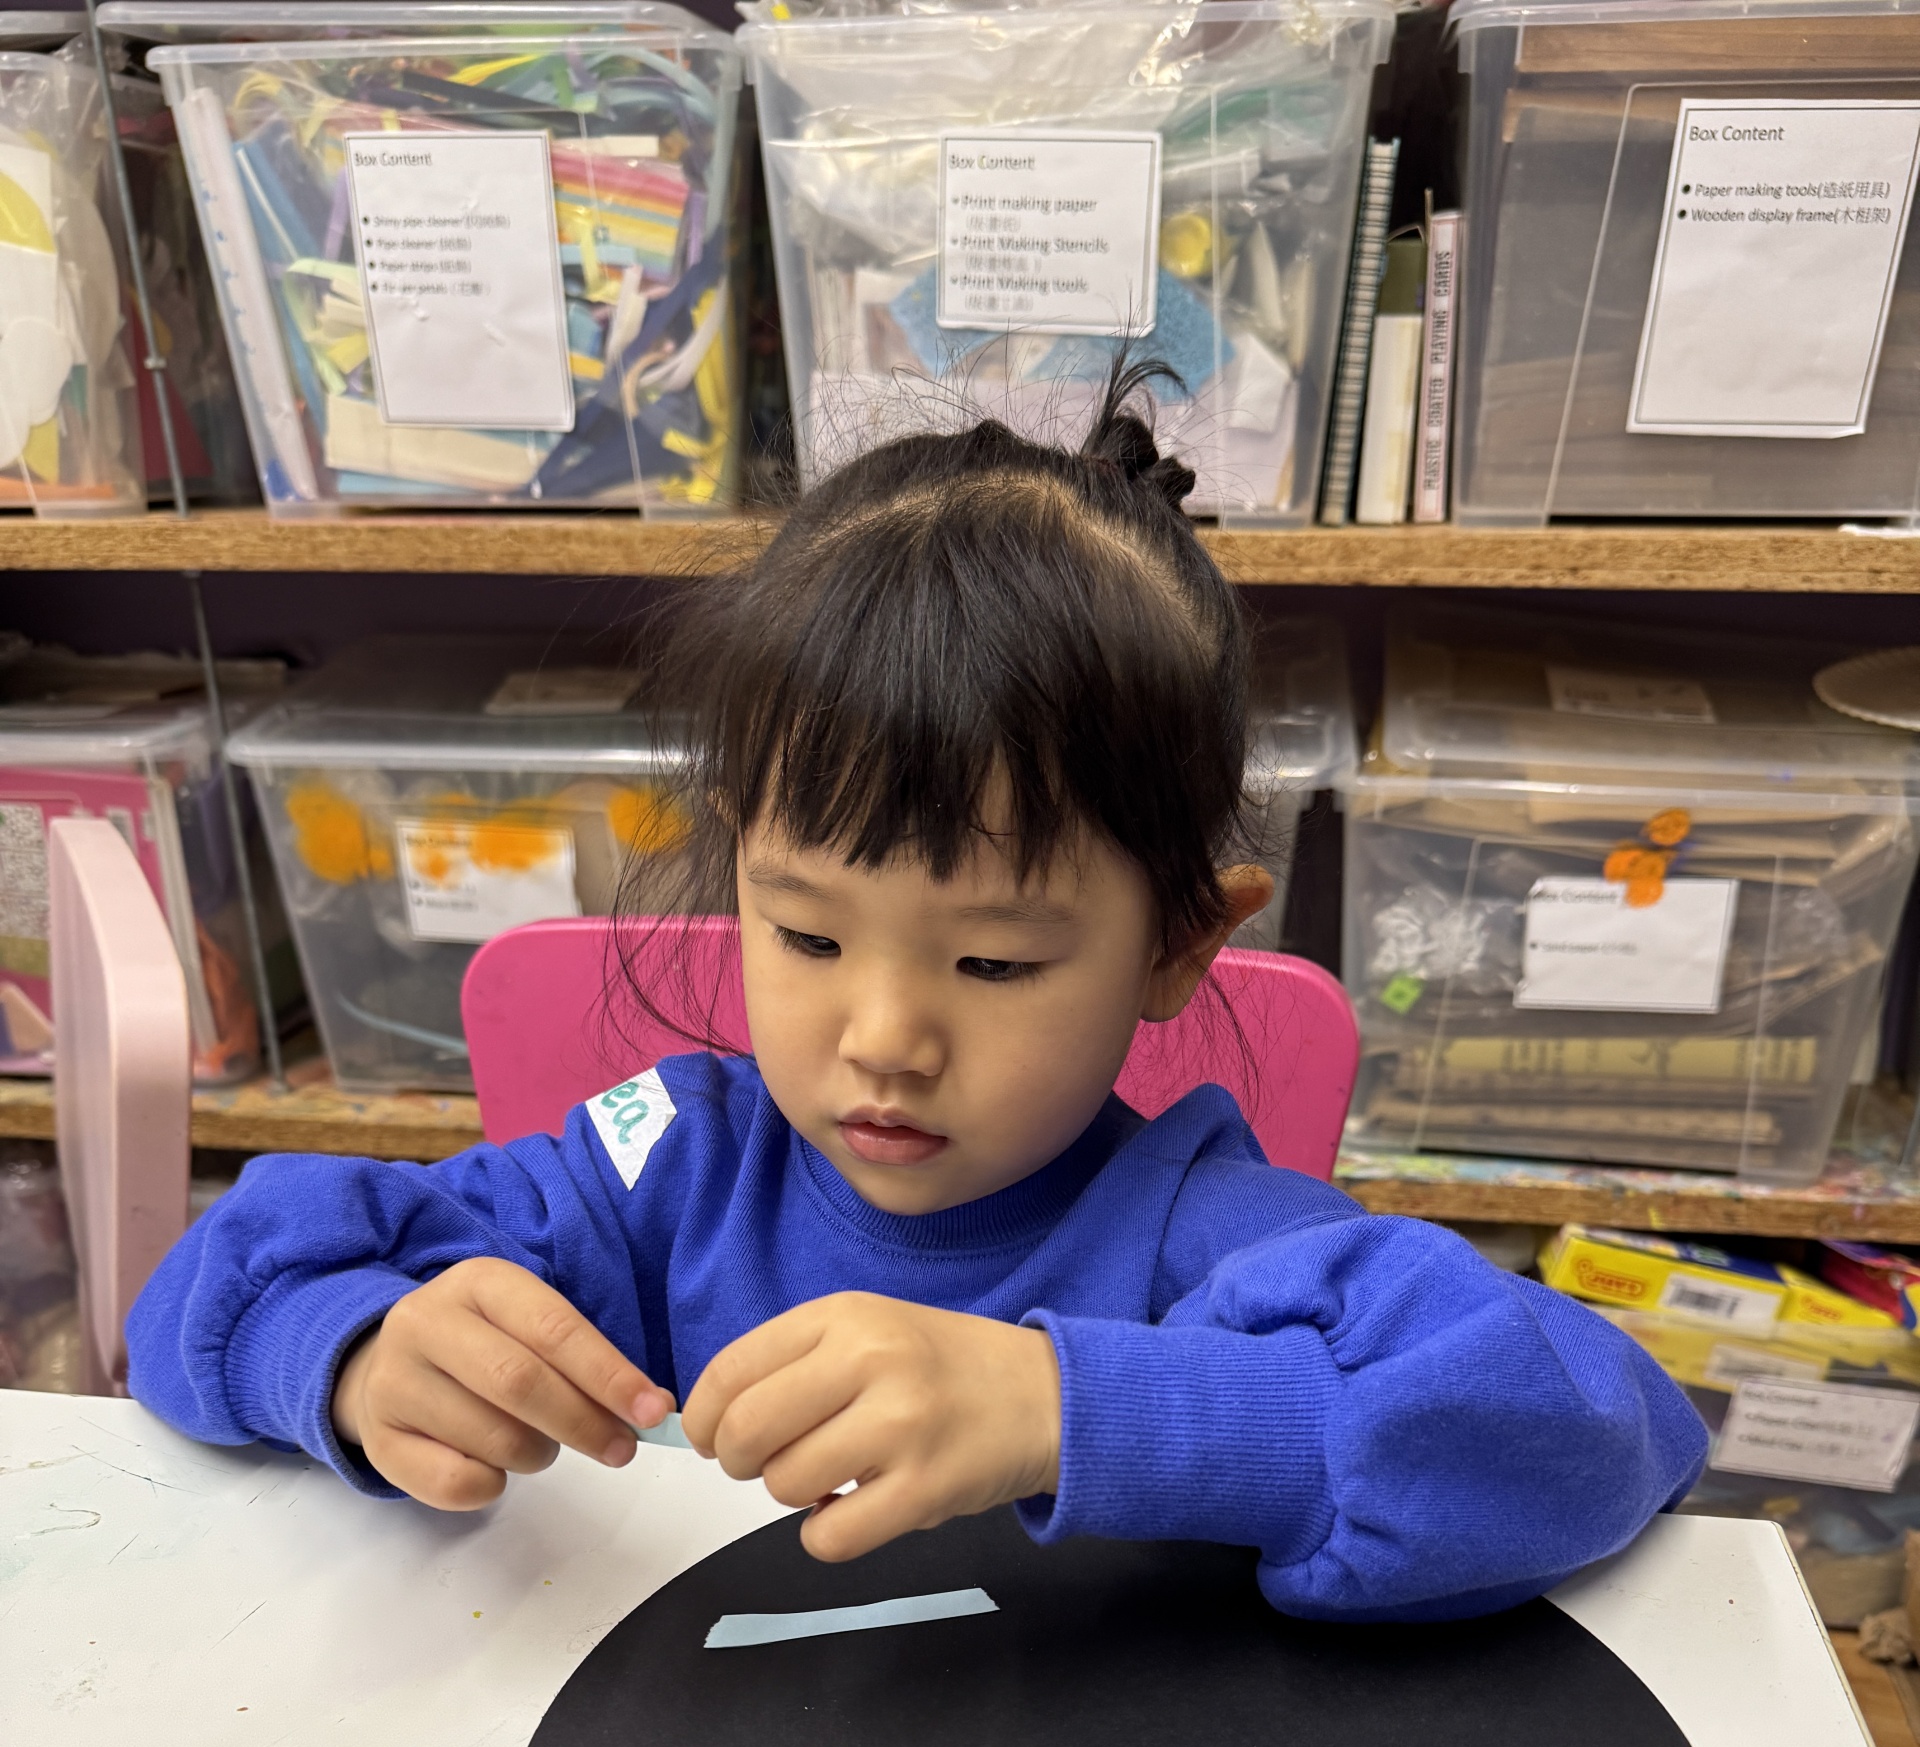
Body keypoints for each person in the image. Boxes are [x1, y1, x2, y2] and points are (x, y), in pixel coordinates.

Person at [127, 376, 1706, 1622]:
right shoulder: (665, 1164)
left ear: (1177, 946)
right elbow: (210, 1293)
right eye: (807, 935)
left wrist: (1069, 1410)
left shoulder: (1208, 1240)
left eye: (995, 962)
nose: (881, 1038)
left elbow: (1601, 1430)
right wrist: (355, 1355)